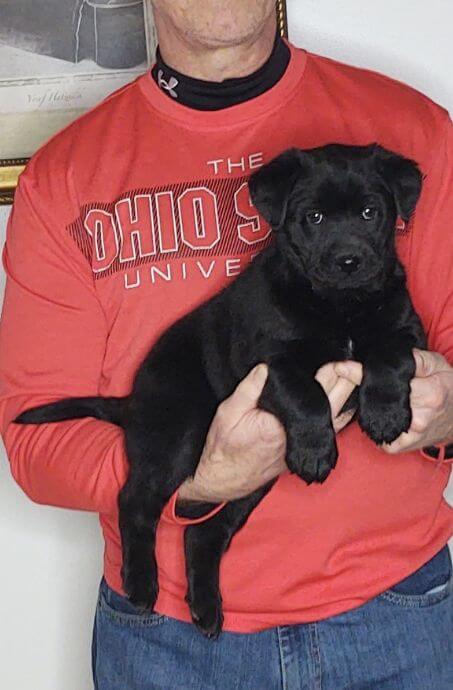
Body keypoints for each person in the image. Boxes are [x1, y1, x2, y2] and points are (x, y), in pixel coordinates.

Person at [0, 1, 452, 688]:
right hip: (168, 643)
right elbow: (36, 444)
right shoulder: (64, 177)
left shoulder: (410, 131)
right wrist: (202, 477)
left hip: (398, 615)